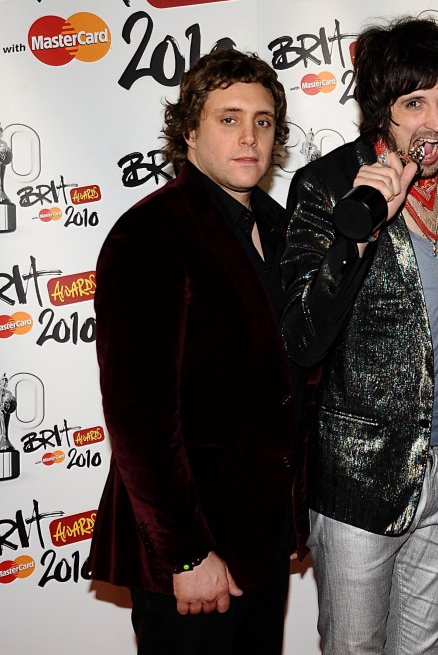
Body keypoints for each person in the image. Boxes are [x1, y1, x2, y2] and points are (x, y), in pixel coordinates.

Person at [281, 16, 438, 654]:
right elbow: (300, 338)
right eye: (414, 102)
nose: (435, 121)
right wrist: (357, 234)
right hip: (358, 475)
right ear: (380, 109)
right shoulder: (326, 186)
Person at [88, 49, 307, 655]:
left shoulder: (283, 229)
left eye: (263, 121)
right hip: (190, 548)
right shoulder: (151, 233)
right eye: (228, 118)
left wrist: (285, 516)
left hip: (261, 540)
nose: (249, 136)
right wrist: (185, 553)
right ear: (188, 131)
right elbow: (139, 421)